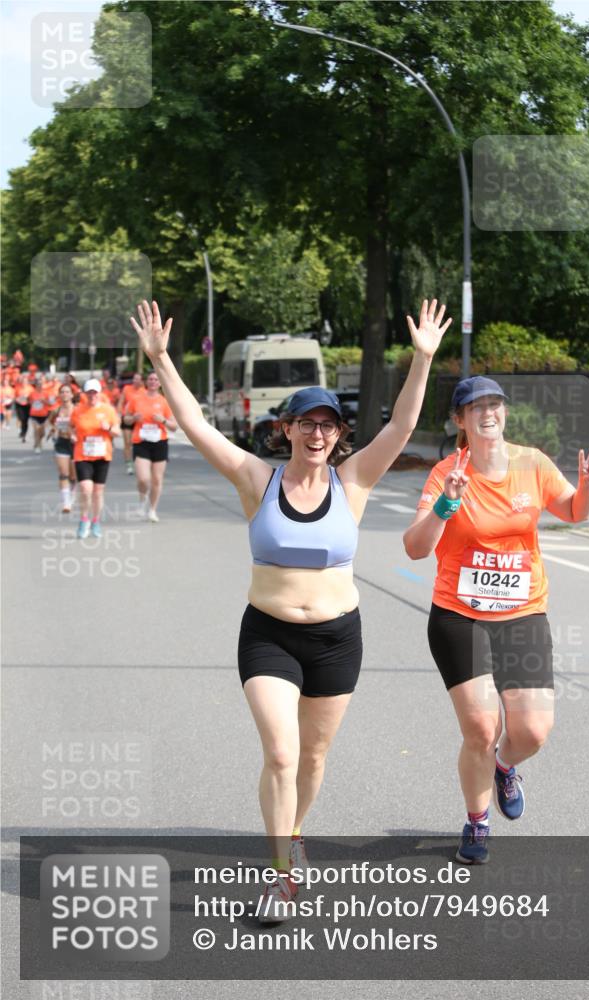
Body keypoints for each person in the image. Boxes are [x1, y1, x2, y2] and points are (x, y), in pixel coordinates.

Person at [131, 297, 451, 920]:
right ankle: (281, 875)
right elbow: (196, 424)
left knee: (311, 758)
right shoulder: (258, 480)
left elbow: (403, 428)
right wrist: (162, 360)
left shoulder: (353, 481)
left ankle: (293, 835)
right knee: (280, 753)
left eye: (328, 424)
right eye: (306, 422)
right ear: (287, 429)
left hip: (337, 639)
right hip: (269, 636)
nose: (317, 432)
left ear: (338, 434)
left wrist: (422, 359)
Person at [403, 376, 589, 864]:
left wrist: (588, 487)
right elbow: (415, 547)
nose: (488, 413)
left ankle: (505, 766)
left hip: (522, 613)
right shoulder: (446, 474)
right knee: (480, 725)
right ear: (460, 420)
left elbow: (574, 513)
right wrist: (448, 503)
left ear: (505, 413)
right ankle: (477, 821)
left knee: (532, 731)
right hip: (459, 615)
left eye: (495, 404)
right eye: (476, 407)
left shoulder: (531, 463)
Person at [70, 378, 121, 539]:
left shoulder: (108, 410)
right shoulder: (78, 410)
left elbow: (117, 432)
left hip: (102, 455)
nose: (92, 395)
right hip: (82, 454)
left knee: (98, 493)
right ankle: (84, 519)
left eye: (95, 392)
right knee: (86, 489)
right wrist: (71, 435)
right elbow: (71, 428)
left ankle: (96, 521)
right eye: (89, 392)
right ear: (85, 394)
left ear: (99, 393)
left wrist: (110, 428)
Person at [125, 370, 177, 521]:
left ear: (160, 383)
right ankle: (142, 500)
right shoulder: (136, 399)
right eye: (150, 379)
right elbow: (126, 419)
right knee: (143, 479)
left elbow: (174, 426)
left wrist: (163, 420)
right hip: (141, 442)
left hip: (160, 442)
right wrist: (133, 418)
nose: (153, 382)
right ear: (146, 382)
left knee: (157, 479)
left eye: (156, 380)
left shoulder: (165, 401)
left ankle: (152, 510)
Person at [47, 382, 77, 512]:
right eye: (62, 392)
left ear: (72, 395)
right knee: (63, 473)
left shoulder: (77, 409)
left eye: (67, 392)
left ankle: (73, 493)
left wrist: (76, 434)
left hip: (76, 444)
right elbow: (50, 421)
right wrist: (54, 429)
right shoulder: (56, 410)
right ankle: (66, 502)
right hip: (61, 442)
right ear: (59, 395)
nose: (65, 394)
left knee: (73, 475)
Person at [119, 373, 145, 474]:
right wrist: (120, 413)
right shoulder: (126, 389)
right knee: (127, 442)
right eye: (134, 379)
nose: (135, 381)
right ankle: (129, 464)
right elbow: (121, 402)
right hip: (128, 418)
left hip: (138, 419)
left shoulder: (144, 391)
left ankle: (139, 462)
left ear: (142, 381)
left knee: (138, 442)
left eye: (138, 379)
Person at [28, 373, 51, 452]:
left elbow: (50, 403)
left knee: (42, 433)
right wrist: (33, 404)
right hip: (34, 415)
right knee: (36, 430)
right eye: (38, 384)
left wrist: (44, 401)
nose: (40, 385)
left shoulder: (46, 393)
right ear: (36, 385)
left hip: (44, 415)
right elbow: (29, 401)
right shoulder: (32, 393)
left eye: (41, 384)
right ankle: (37, 446)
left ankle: (38, 442)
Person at [14, 373, 32, 442]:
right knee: (21, 419)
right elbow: (14, 396)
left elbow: (32, 397)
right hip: (19, 405)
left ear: (27, 381)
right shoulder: (18, 388)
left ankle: (24, 433)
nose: (24, 382)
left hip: (27, 405)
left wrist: (28, 399)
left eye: (25, 381)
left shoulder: (30, 388)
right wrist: (17, 399)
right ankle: (23, 431)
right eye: (23, 381)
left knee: (25, 420)